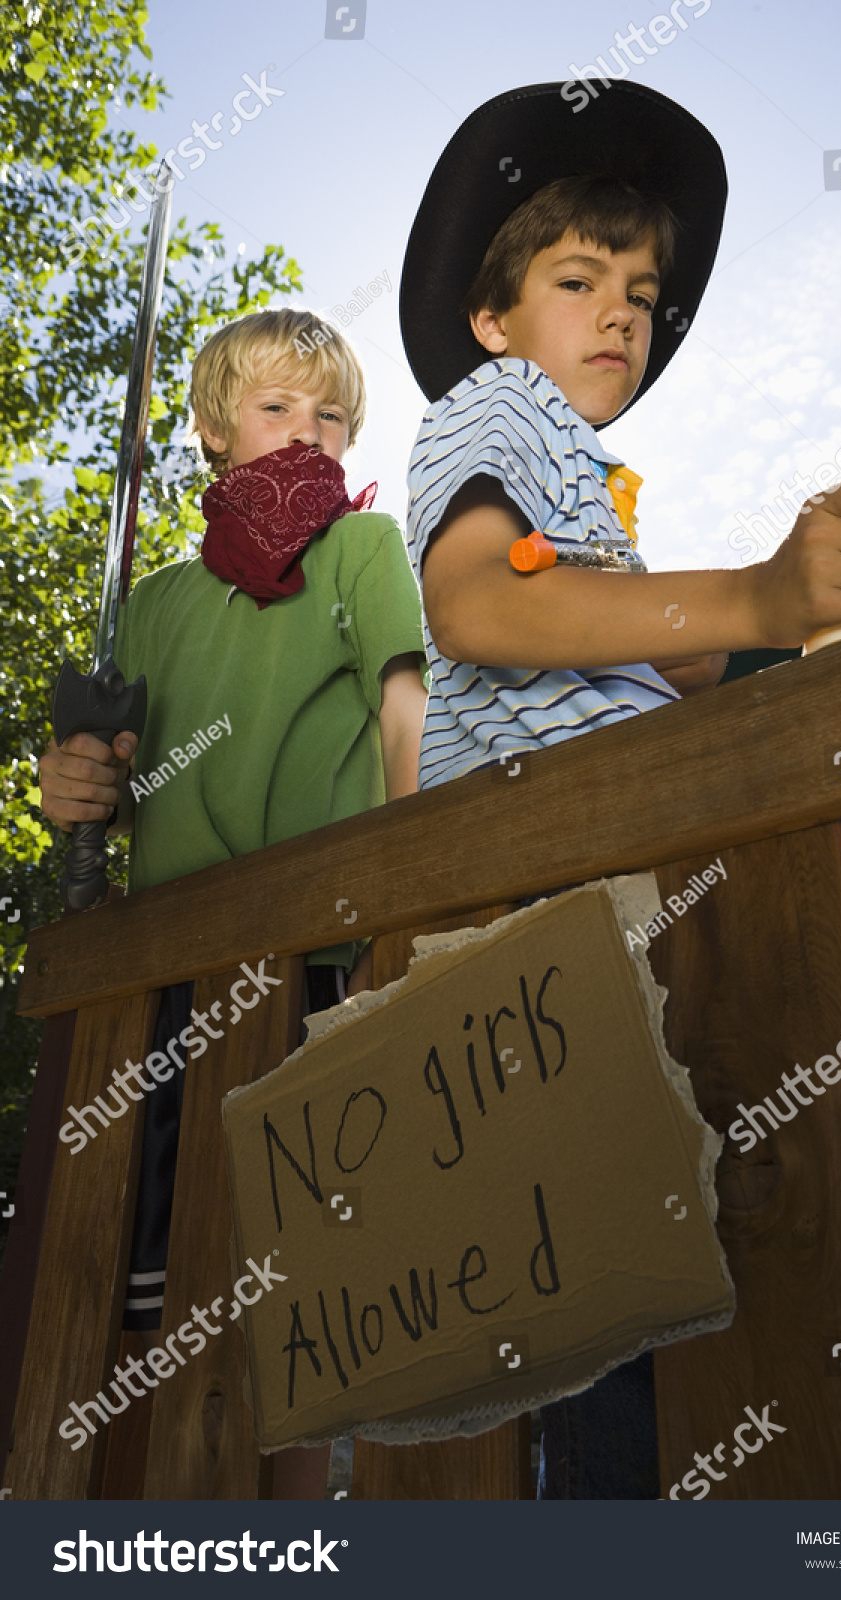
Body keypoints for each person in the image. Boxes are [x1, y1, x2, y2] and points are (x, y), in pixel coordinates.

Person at [399, 80, 841, 1497]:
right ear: (492, 318)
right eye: (578, 279)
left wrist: (782, 590)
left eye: (641, 289)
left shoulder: (583, 469)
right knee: (601, 1268)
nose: (623, 311)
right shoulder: (488, 412)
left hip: (623, 855)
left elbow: (668, 671)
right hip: (541, 876)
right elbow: (477, 608)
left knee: (654, 1220)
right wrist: (759, 590)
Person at [39, 307, 427, 1496]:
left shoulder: (362, 550)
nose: (307, 432)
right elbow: (107, 793)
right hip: (164, 978)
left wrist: (413, 902)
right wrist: (73, 792)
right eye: (277, 409)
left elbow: (407, 707)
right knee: (144, 1288)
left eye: (332, 417)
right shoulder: (150, 606)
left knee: (293, 1301)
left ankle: (287, 1527)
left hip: (319, 955)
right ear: (213, 432)